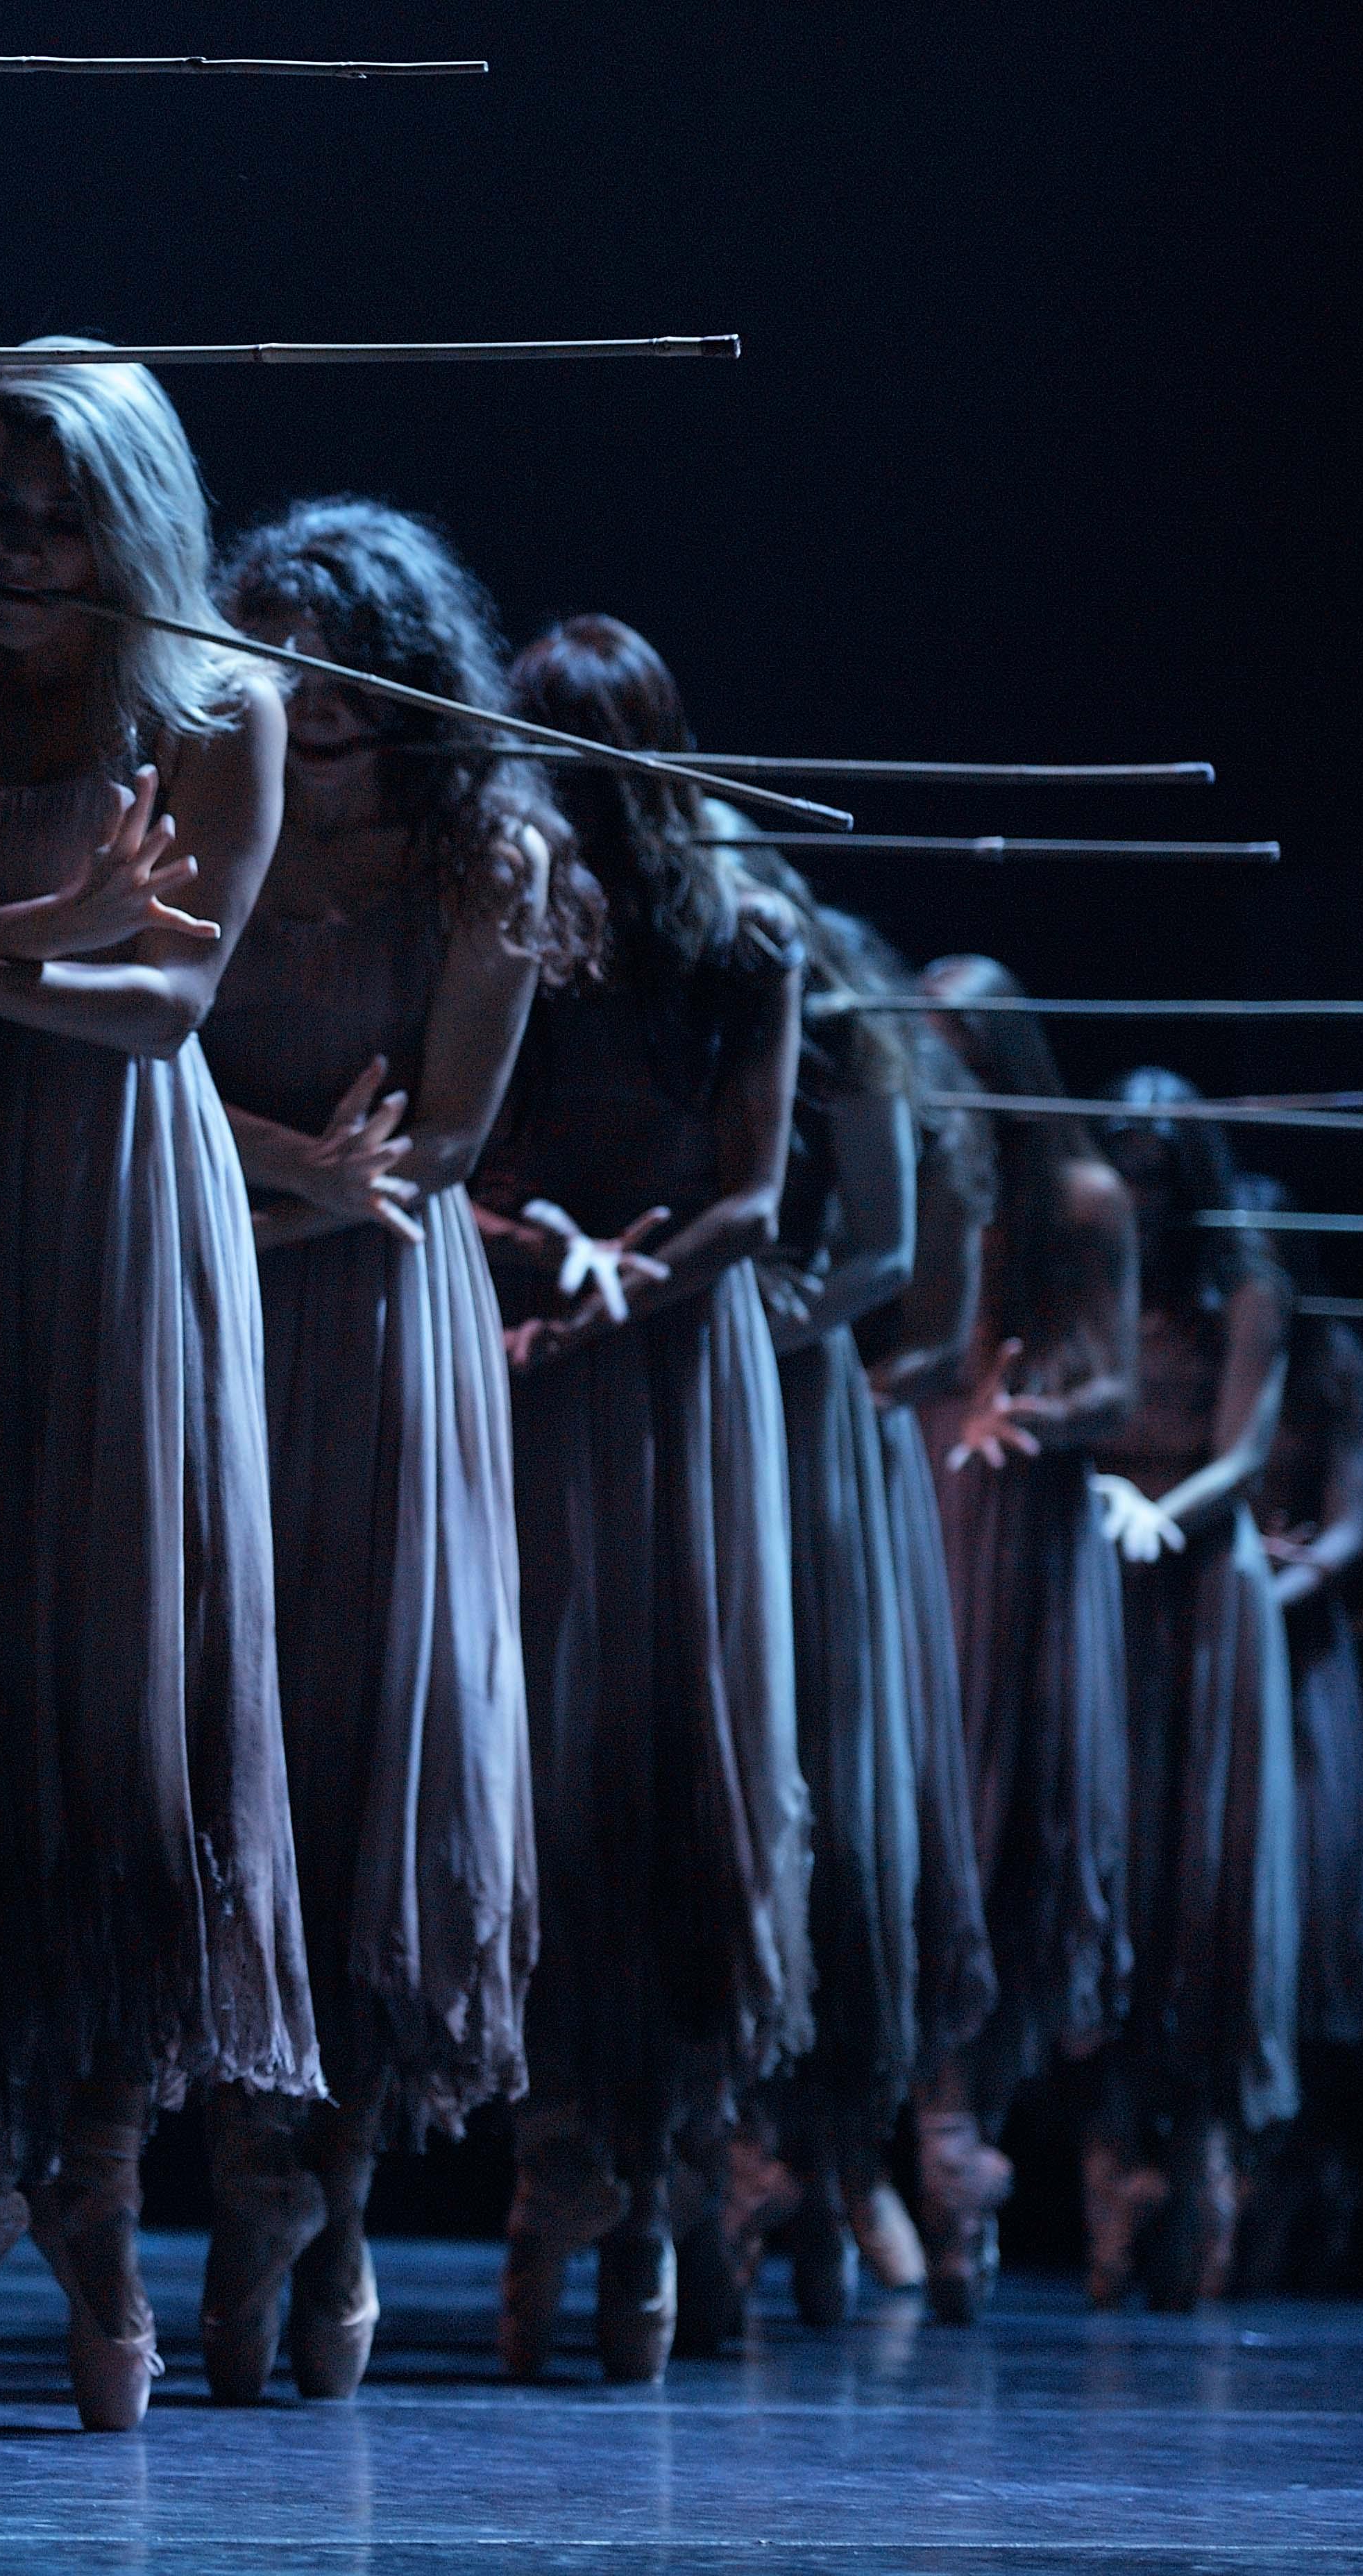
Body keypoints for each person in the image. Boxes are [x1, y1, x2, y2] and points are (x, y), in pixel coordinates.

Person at [0, 344, 310, 2434]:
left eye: (62, 510)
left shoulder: (223, 707)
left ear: (134, 519)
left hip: (116, 1205)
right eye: (1, 499)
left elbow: (172, 998)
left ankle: (113, 2193)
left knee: (113, 1687)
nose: (26, 545)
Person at [188, 498, 568, 2401]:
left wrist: (297, 1188)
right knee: (197, 1727)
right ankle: (202, 2160)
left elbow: (437, 1143)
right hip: (203, 1278)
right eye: (273, 646)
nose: (308, 689)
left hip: (370, 1324)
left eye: (346, 655)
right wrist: (260, 1172)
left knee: (350, 1746)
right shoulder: (194, 805)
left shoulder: (488, 860)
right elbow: (136, 1044)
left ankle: (322, 2191)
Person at [471, 615, 806, 2384]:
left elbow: (752, 1193)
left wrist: (629, 1275)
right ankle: (558, 2157)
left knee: (673, 1745)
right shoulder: (518, 901)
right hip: (532, 1330)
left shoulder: (746, 934)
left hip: (672, 1363)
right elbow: (475, 1126)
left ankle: (673, 2169)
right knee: (540, 1743)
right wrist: (542, 1251)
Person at [702, 836, 997, 2337]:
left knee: (827, 1753)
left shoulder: (854, 1054)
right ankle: (731, 2156)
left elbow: (881, 1253)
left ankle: (830, 2162)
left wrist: (778, 1308)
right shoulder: (689, 1015)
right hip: (692, 1371)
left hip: (817, 1406)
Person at [899, 955, 1142, 2320]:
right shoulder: (939, 1177)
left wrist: (1040, 1411)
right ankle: (919, 2154)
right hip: (931, 1482)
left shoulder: (1082, 1197)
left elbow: (1107, 1378)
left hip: (1026, 1511)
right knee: (923, 1803)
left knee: (1003, 1816)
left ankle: (957, 2136)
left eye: (952, 1047)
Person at [1076, 1069, 1298, 2307]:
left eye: (1164, 1174)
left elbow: (1247, 1450)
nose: (1145, 1198)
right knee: (1113, 1869)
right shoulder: (1095, 1261)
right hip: (1104, 1573)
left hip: (1204, 1583)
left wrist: (1159, 1509)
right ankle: (1107, 2188)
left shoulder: (1245, 1285)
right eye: (1130, 1169)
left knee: (1201, 1877)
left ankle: (1207, 2174)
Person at [1242, 1314, 1363, 2290]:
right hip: (1209, 1599)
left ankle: (1303, 2165)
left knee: (1310, 1889)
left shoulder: (1334, 1378)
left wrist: (1278, 1578)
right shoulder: (1192, 1330)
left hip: (1301, 1643)